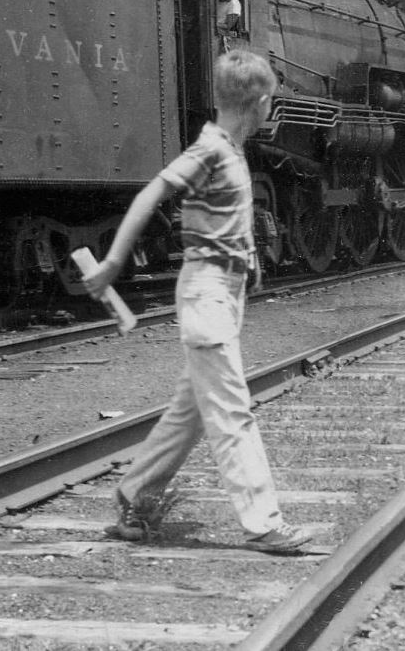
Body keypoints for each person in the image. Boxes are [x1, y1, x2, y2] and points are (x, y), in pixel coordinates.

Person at [81, 49, 312, 554]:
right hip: (206, 292)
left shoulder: (229, 148)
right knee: (232, 411)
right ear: (261, 102)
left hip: (222, 294)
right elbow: (150, 194)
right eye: (271, 100)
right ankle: (264, 524)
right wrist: (114, 263)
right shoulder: (209, 150)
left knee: (191, 411)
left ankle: (135, 496)